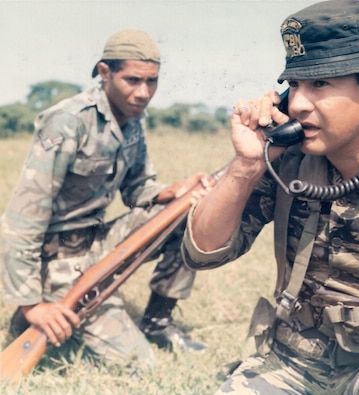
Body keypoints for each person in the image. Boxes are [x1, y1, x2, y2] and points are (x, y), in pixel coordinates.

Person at [181, 1, 359, 394]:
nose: (297, 103)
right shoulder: (289, 161)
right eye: (294, 85)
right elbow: (203, 252)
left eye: (321, 84)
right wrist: (247, 165)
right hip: (293, 362)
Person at [0, 29, 205, 370]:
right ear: (105, 72)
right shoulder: (68, 121)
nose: (144, 93)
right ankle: (35, 316)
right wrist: (30, 304)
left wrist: (170, 192)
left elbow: (138, 189)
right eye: (133, 80)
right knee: (139, 366)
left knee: (190, 213)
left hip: (97, 241)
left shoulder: (134, 119)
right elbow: (23, 220)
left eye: (152, 81)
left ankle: (157, 322)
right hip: (57, 256)